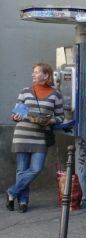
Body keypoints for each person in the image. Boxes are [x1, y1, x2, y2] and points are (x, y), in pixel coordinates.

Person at [6, 63, 64, 213]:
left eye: (37, 72)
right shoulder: (25, 91)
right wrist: (15, 116)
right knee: (21, 169)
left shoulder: (55, 94)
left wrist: (51, 121)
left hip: (40, 137)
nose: (33, 74)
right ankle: (23, 202)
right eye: (33, 72)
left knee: (36, 169)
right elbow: (16, 113)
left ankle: (12, 192)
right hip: (22, 135)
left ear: (46, 75)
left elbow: (60, 117)